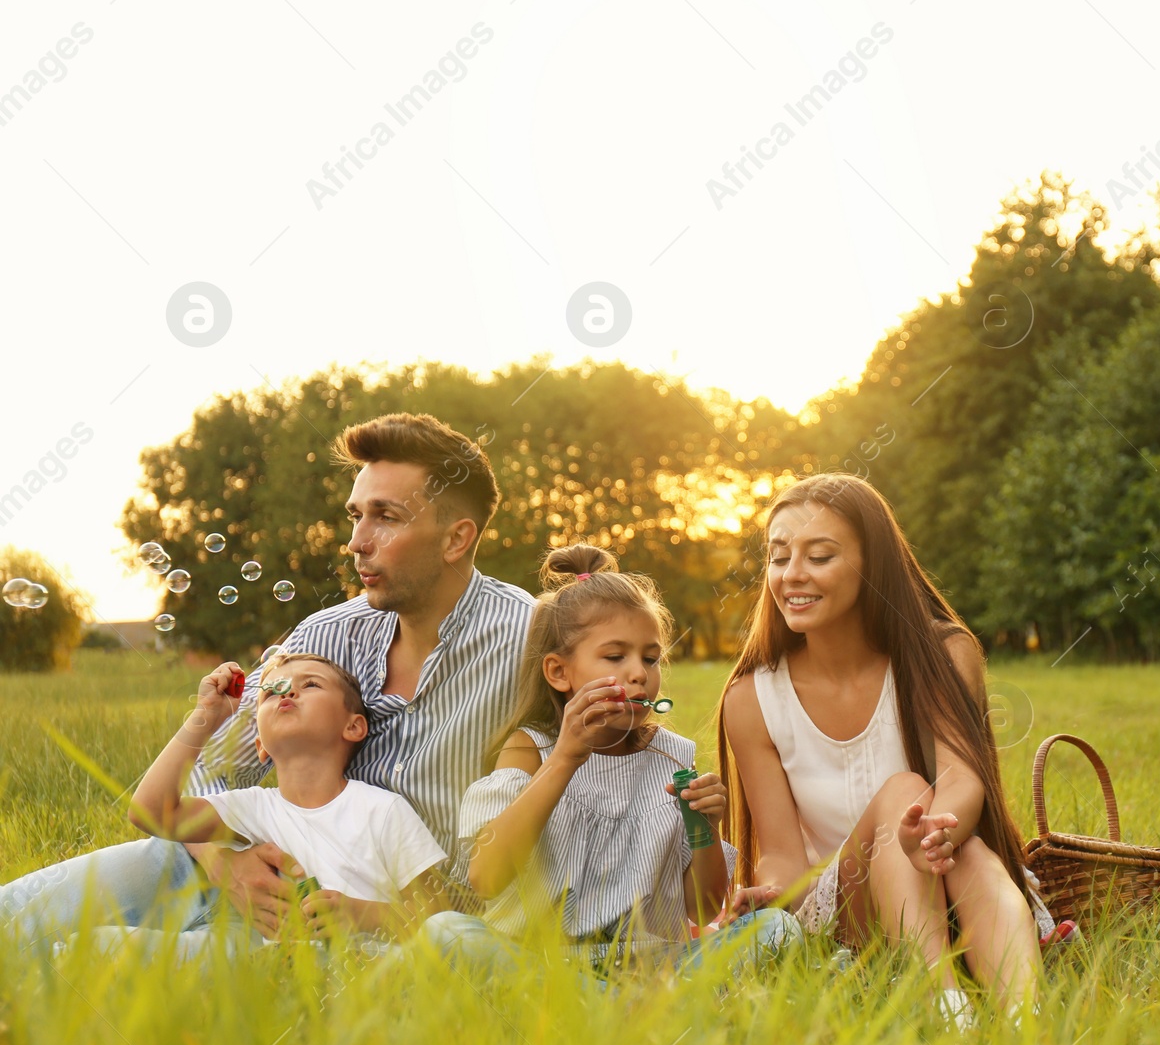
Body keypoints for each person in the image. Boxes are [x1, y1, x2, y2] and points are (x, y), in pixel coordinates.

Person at [1, 412, 534, 947]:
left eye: (386, 517)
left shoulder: (531, 643)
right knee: (20, 917)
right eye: (355, 516)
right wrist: (223, 861)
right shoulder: (324, 635)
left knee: (109, 957)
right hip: (256, 888)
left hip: (408, 931)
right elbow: (207, 773)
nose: (356, 542)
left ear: (455, 539)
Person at [716, 474, 1052, 1026]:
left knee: (961, 851)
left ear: (872, 565)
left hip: (946, 873)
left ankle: (1027, 1022)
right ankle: (942, 1001)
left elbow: (964, 779)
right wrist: (768, 891)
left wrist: (936, 834)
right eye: (778, 557)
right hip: (846, 908)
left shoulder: (943, 653)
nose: (791, 574)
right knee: (903, 791)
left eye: (819, 556)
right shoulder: (752, 697)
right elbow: (781, 852)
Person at [422, 544, 797, 980]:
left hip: (653, 963)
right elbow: (485, 878)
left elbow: (705, 907)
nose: (639, 673)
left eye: (650, 658)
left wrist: (706, 828)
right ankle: (626, 1007)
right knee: (446, 933)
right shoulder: (530, 751)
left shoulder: (674, 758)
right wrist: (564, 758)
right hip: (544, 966)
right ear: (559, 673)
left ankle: (620, 1003)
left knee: (777, 929)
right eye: (616, 656)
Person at [83, 653, 448, 959]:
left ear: (353, 727)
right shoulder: (254, 808)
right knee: (106, 944)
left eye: (311, 685)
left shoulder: (382, 810)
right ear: (260, 745)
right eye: (271, 691)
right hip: (282, 966)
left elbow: (437, 912)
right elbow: (150, 812)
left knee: (463, 938)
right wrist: (205, 718)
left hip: (379, 969)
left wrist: (361, 914)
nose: (287, 690)